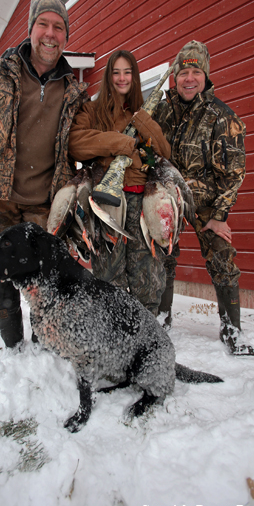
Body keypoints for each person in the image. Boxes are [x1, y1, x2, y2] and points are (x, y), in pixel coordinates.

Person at [0, 0, 89, 349]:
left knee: (43, 279)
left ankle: (44, 346)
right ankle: (12, 345)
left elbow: (84, 141)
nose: (50, 33)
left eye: (59, 27)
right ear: (31, 30)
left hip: (43, 204)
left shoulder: (73, 91)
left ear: (66, 37)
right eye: (43, 24)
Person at [154, 40, 254, 356]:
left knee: (222, 257)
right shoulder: (162, 111)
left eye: (195, 71)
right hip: (169, 199)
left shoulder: (222, 117)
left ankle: (232, 330)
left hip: (206, 204)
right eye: (183, 71)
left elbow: (234, 173)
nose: (188, 78)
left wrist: (219, 215)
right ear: (175, 75)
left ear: (205, 75)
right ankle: (161, 318)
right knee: (161, 255)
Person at [69, 49, 172, 316]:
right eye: (116, 72)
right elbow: (77, 144)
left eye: (128, 72)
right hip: (107, 200)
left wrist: (141, 135)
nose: (122, 78)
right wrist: (121, 143)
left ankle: (147, 327)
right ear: (108, 76)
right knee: (108, 271)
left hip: (140, 200)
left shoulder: (144, 113)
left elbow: (162, 153)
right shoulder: (92, 110)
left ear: (135, 77)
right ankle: (112, 326)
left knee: (146, 272)